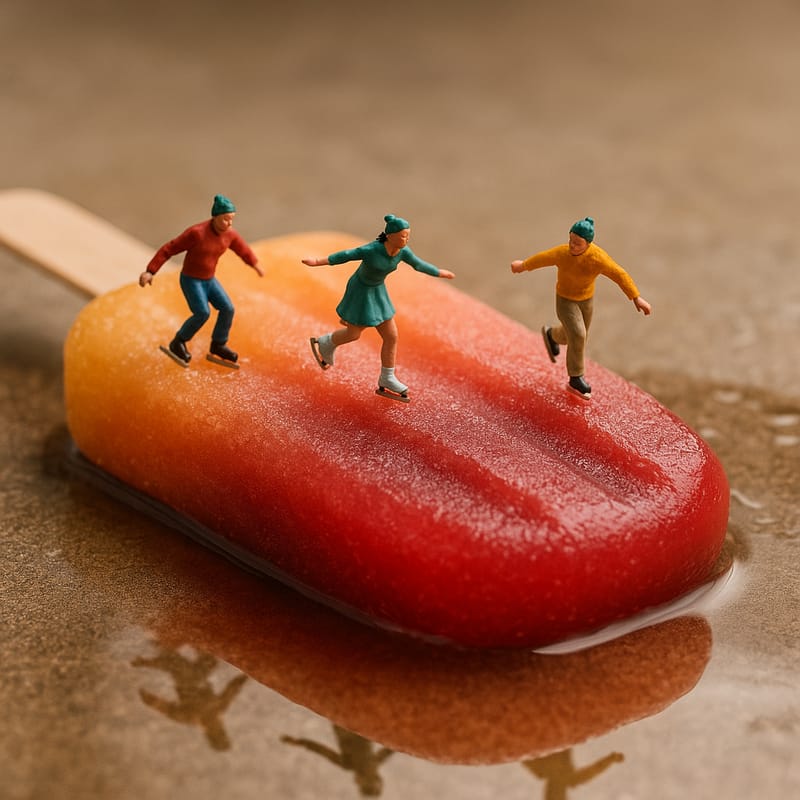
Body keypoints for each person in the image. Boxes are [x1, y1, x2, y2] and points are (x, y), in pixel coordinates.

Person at [303, 214, 455, 401]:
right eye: (402, 236)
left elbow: (418, 264)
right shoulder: (372, 250)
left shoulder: (403, 252)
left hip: (378, 291)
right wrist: (318, 261)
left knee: (391, 336)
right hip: (360, 290)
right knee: (353, 334)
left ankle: (387, 377)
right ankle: (326, 342)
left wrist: (438, 272)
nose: (405, 240)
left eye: (407, 236)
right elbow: (347, 255)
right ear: (389, 235)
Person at [511, 217, 651, 399]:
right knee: (578, 334)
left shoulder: (598, 258)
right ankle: (575, 378)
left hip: (586, 301)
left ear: (588, 244)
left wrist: (636, 297)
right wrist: (523, 265)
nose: (572, 246)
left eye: (577, 243)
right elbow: (543, 258)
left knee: (575, 337)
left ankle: (551, 335)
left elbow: (619, 274)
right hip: (565, 300)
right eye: (571, 240)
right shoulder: (562, 253)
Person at [139, 194, 264, 367]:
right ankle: (178, 342)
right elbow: (169, 248)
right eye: (226, 219)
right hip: (191, 280)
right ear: (215, 217)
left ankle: (218, 344)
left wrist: (255, 264)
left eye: (232, 220)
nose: (229, 224)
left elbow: (242, 249)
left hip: (209, 280)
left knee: (227, 308)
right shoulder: (196, 233)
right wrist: (150, 271)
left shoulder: (230, 234)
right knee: (202, 313)